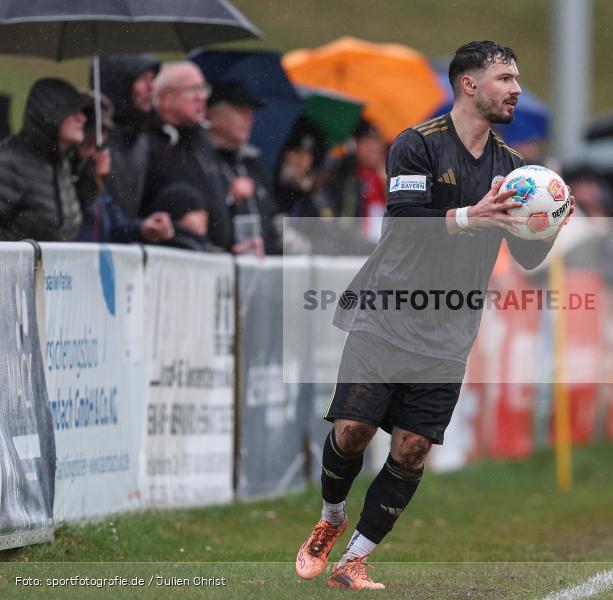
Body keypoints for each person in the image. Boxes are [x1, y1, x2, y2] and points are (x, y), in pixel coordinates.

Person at [294, 40, 573, 591]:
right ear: (469, 84)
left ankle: (354, 560)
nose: (517, 89)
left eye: (517, 79)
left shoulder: (515, 171)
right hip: (387, 312)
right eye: (506, 78)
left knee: (413, 447)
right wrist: (474, 215)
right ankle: (330, 519)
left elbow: (523, 257)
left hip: (449, 328)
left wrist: (547, 226)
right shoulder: (416, 145)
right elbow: (403, 225)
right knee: (353, 429)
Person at [141, 61, 229, 250]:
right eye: (193, 90)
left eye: (203, 89)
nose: (201, 98)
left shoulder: (202, 142)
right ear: (165, 98)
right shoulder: (147, 142)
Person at [75, 92, 173, 244]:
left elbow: (115, 226)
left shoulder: (98, 185)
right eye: (89, 144)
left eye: (98, 146)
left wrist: (142, 227)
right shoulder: (68, 175)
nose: (96, 153)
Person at [0, 78, 92, 241]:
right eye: (73, 111)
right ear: (50, 114)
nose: (82, 118)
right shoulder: (9, 162)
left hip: (49, 267)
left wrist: (92, 179)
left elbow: (64, 227)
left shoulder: (60, 163)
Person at [205, 81, 279, 255]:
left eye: (250, 111)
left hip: (262, 269)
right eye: (239, 109)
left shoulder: (253, 164)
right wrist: (229, 198)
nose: (249, 118)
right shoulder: (201, 159)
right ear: (212, 113)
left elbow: (272, 217)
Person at [91, 53, 160, 218]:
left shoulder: (141, 139)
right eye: (143, 79)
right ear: (120, 83)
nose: (151, 87)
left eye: (153, 79)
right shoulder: (93, 139)